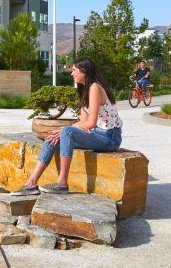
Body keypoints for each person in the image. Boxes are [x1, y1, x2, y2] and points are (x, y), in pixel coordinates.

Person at [11, 58, 123, 195]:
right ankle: (31, 184)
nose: (71, 74)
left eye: (74, 70)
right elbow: (83, 121)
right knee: (52, 138)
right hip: (97, 134)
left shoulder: (95, 88)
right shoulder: (84, 90)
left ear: (84, 71)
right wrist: (60, 131)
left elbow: (91, 123)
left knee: (67, 132)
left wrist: (66, 131)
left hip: (110, 137)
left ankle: (62, 183)